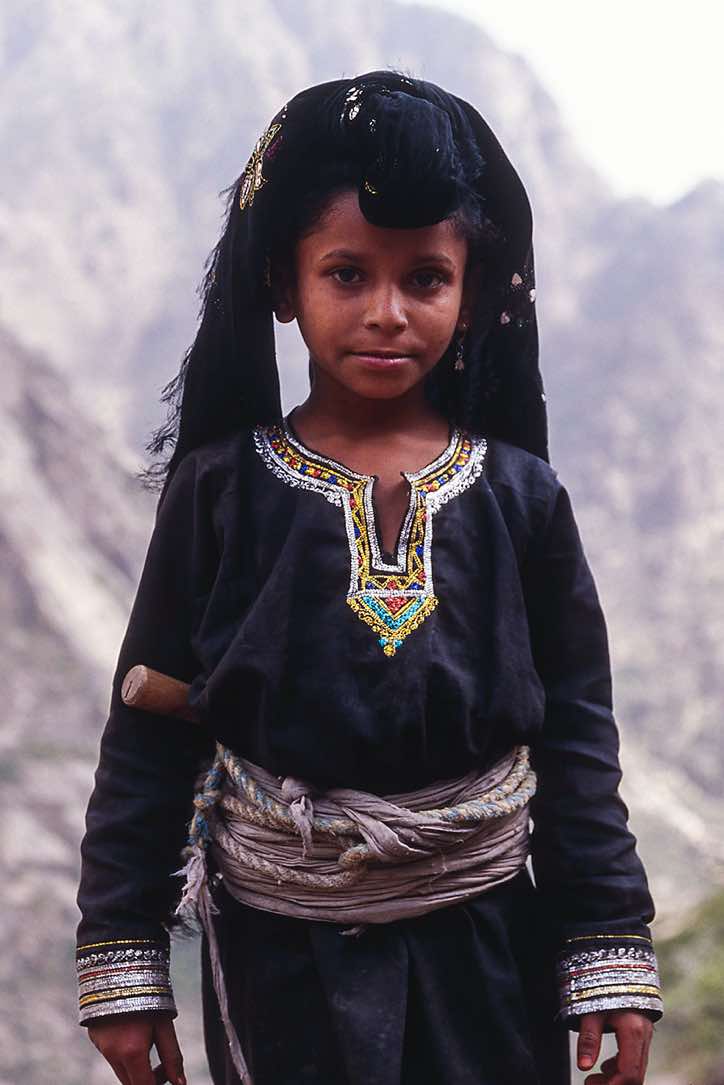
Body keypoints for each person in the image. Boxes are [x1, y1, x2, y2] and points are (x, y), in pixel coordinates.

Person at [76, 71, 664, 1085]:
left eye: (424, 279)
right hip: (277, 953)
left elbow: (574, 728)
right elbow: (148, 734)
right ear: (280, 283)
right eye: (346, 274)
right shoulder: (222, 493)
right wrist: (123, 956)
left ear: (472, 290)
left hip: (488, 939)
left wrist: (606, 942)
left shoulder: (520, 495)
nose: (387, 312)